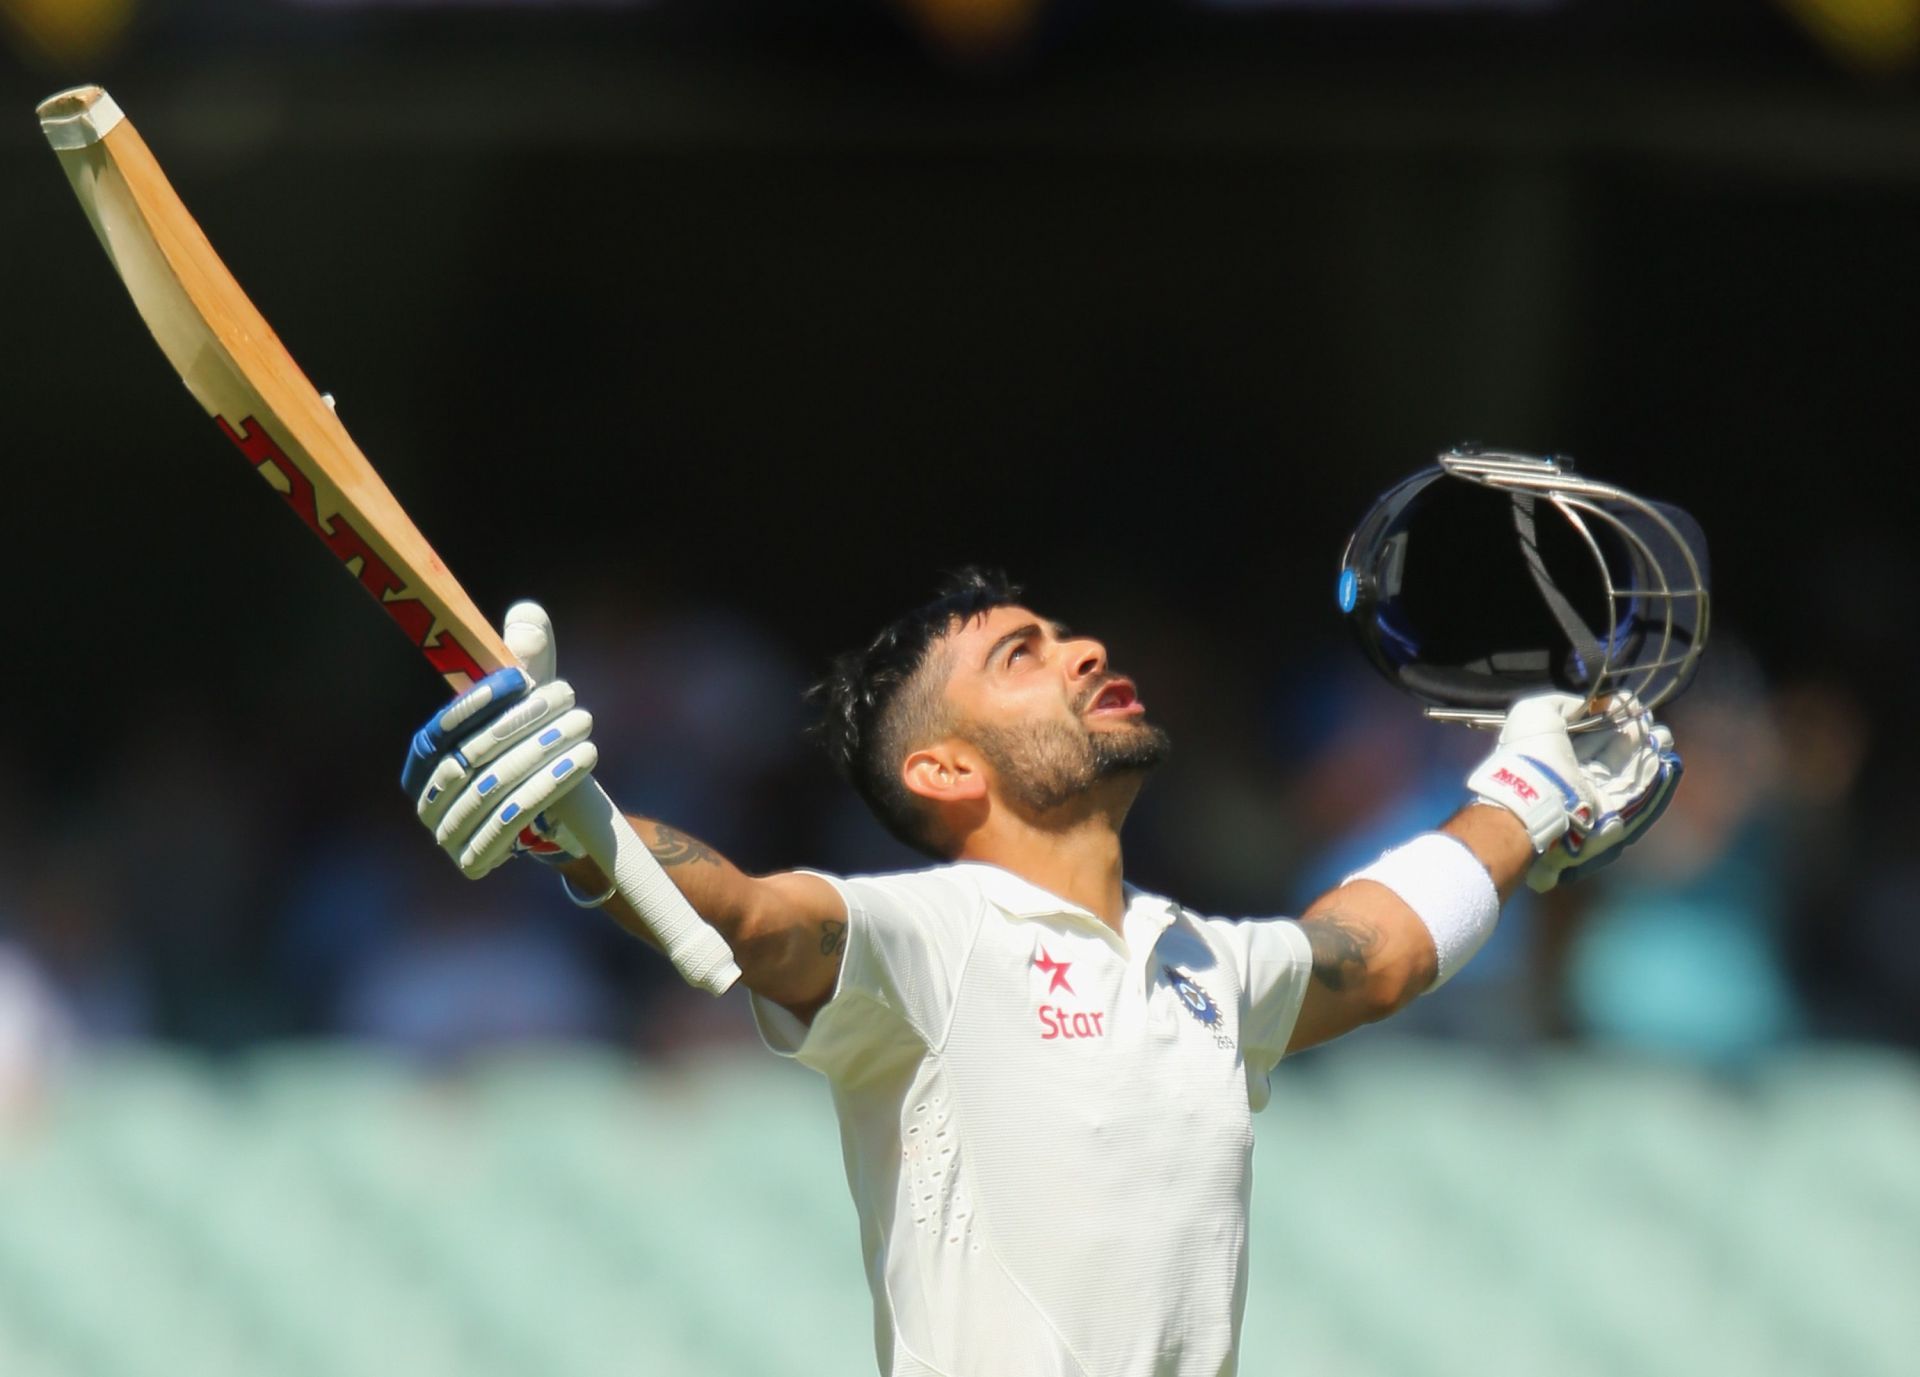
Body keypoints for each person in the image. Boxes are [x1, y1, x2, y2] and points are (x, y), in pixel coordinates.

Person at [399, 568, 1680, 1377]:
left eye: (1064, 637)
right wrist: (578, 822)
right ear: (944, 773)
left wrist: (1528, 794)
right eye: (1020, 655)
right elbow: (744, 912)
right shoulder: (926, 941)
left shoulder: (1204, 965)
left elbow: (1382, 949)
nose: (1078, 652)